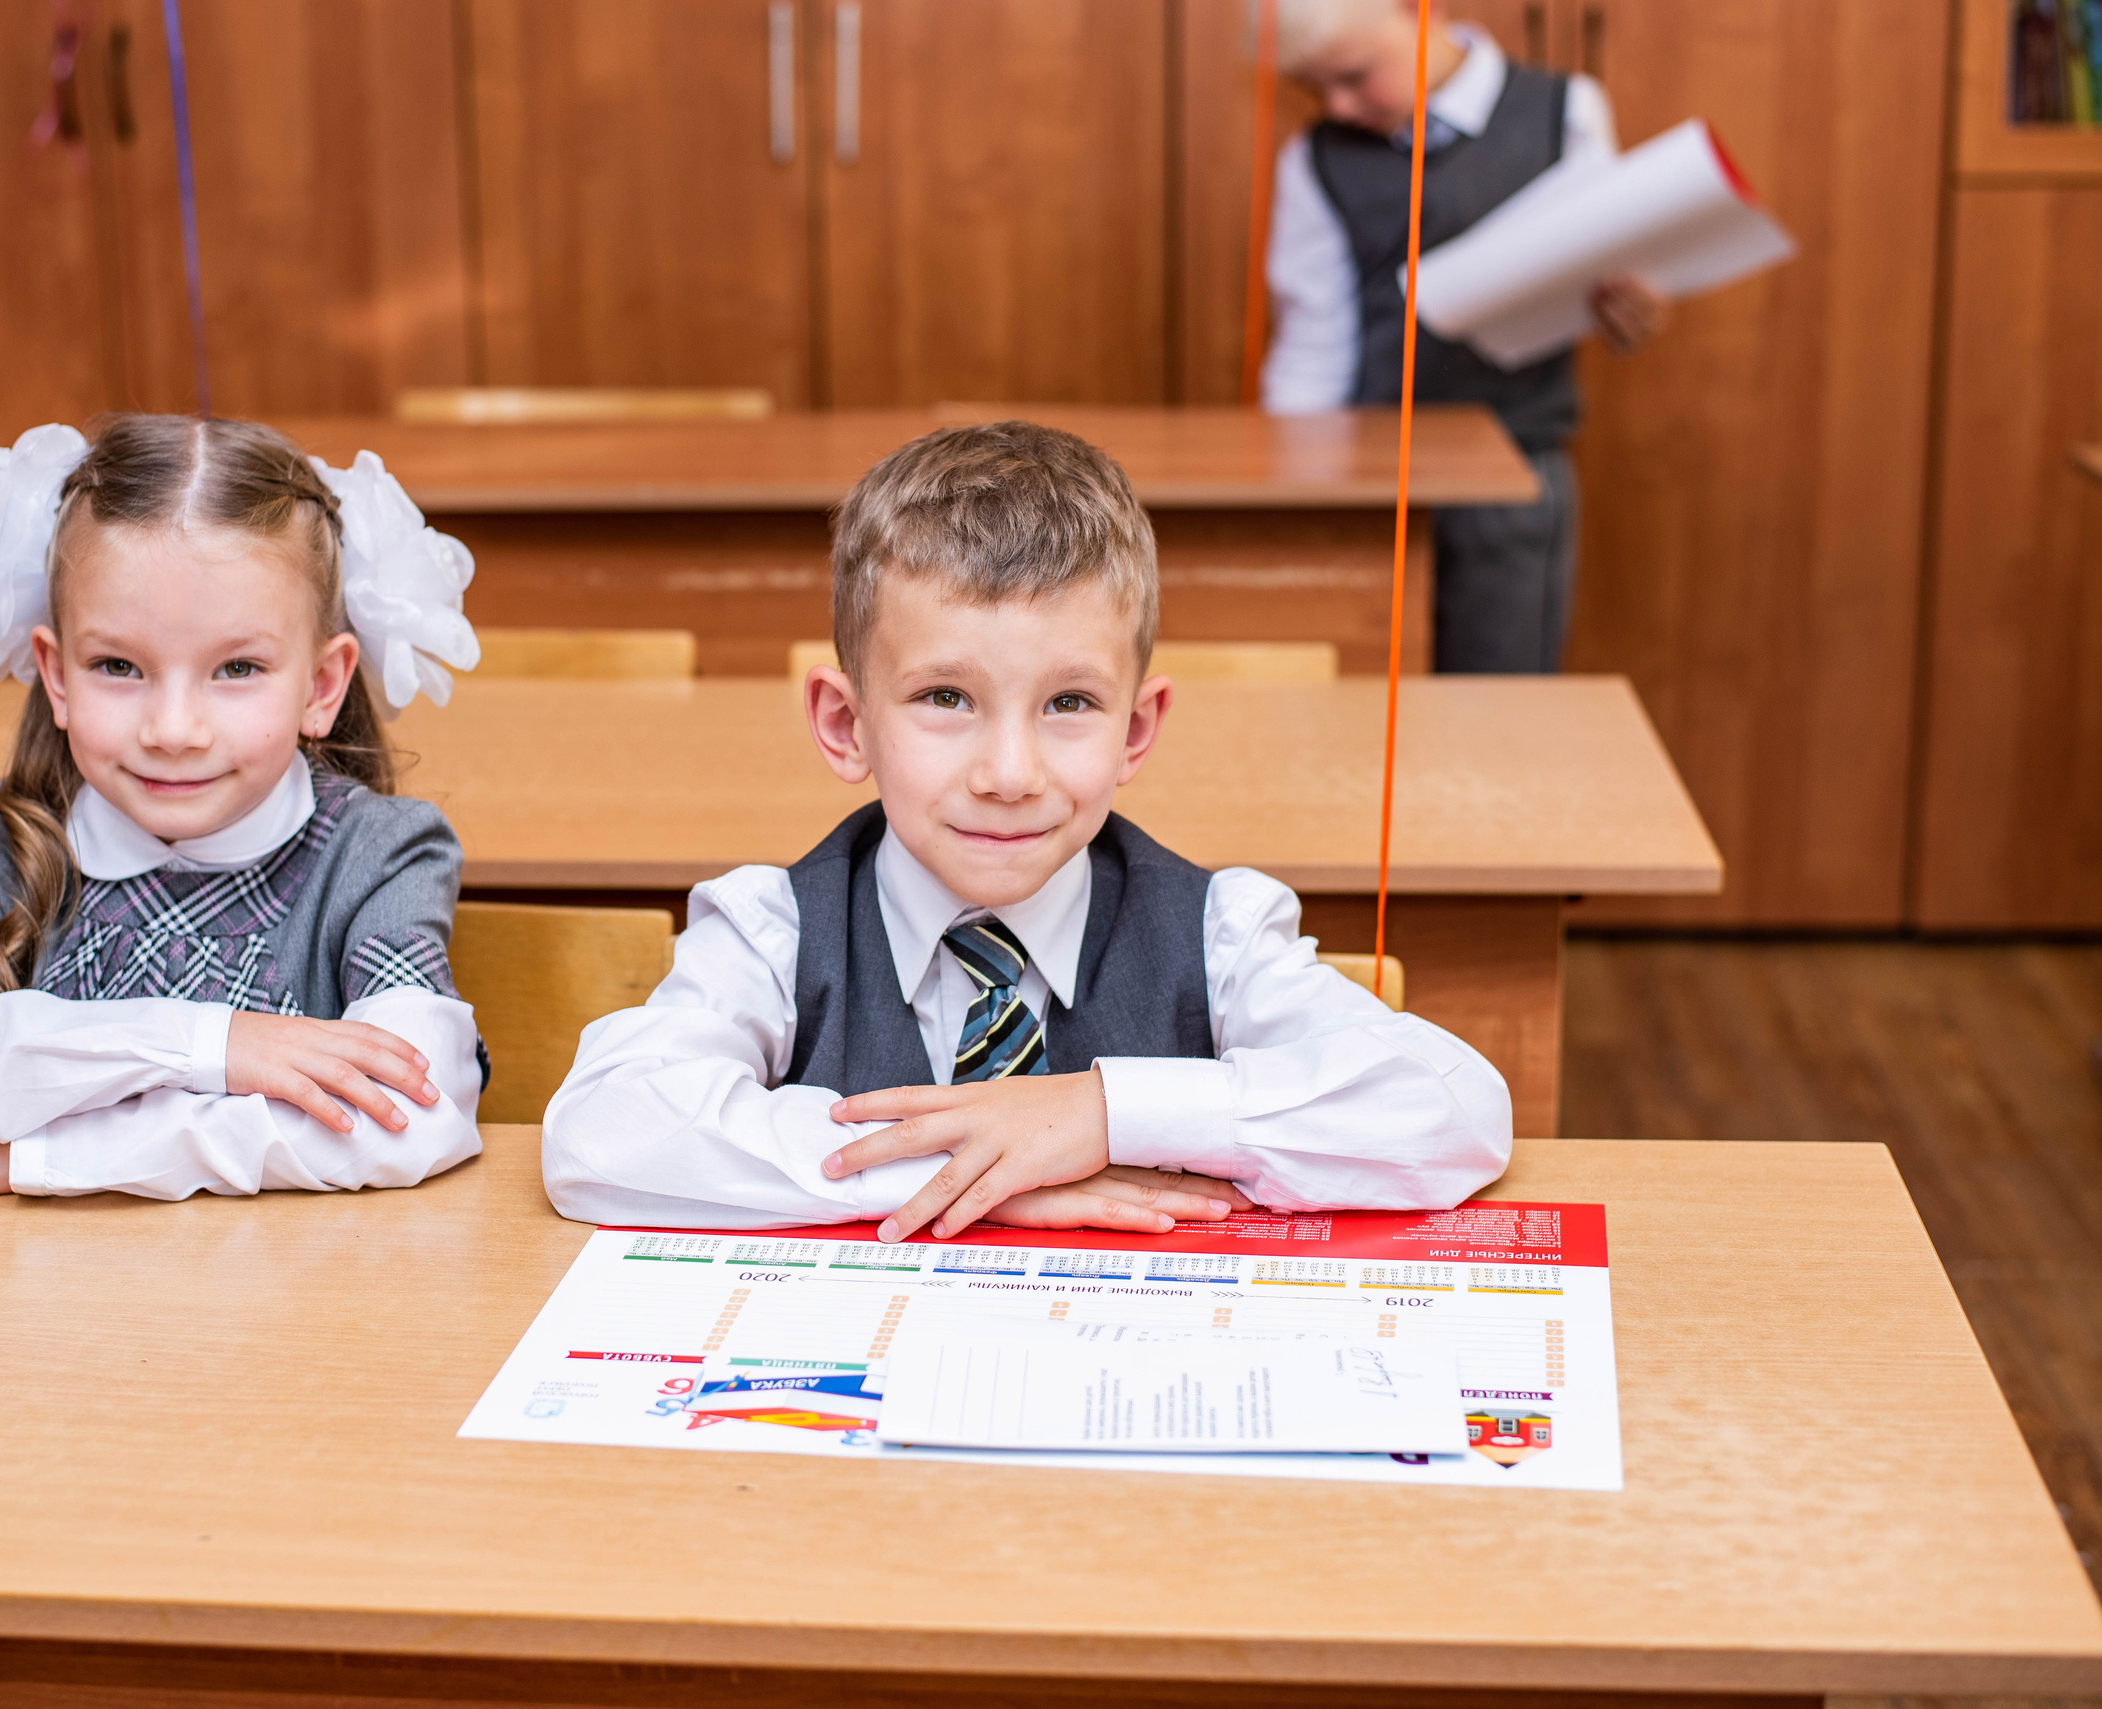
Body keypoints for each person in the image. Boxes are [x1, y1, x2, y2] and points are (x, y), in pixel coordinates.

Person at [542, 421, 1512, 1238]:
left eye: (1069, 703)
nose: (1010, 773)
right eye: (946, 696)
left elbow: (1456, 1107)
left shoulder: (1213, 930)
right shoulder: (772, 926)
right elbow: (598, 1130)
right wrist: (989, 1176)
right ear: (846, 725)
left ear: (1136, 729)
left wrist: (1098, 1113)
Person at [0, 414, 485, 1200]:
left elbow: (412, 1117)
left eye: (237, 667)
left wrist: (37, 1158)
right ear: (55, 673)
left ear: (323, 685)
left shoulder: (379, 855)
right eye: (117, 665)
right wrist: (206, 1045)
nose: (172, 730)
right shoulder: (15, 847)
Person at [1262, 0, 1667, 673]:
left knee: (1501, 717)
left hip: (1514, 477)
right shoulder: (1317, 158)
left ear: (1418, 13)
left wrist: (1633, 308)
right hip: (1371, 482)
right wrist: (1295, 494)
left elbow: (1617, 273)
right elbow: (1312, 344)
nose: (1337, 105)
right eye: (1314, 88)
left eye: (1356, 76)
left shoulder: (1562, 111)